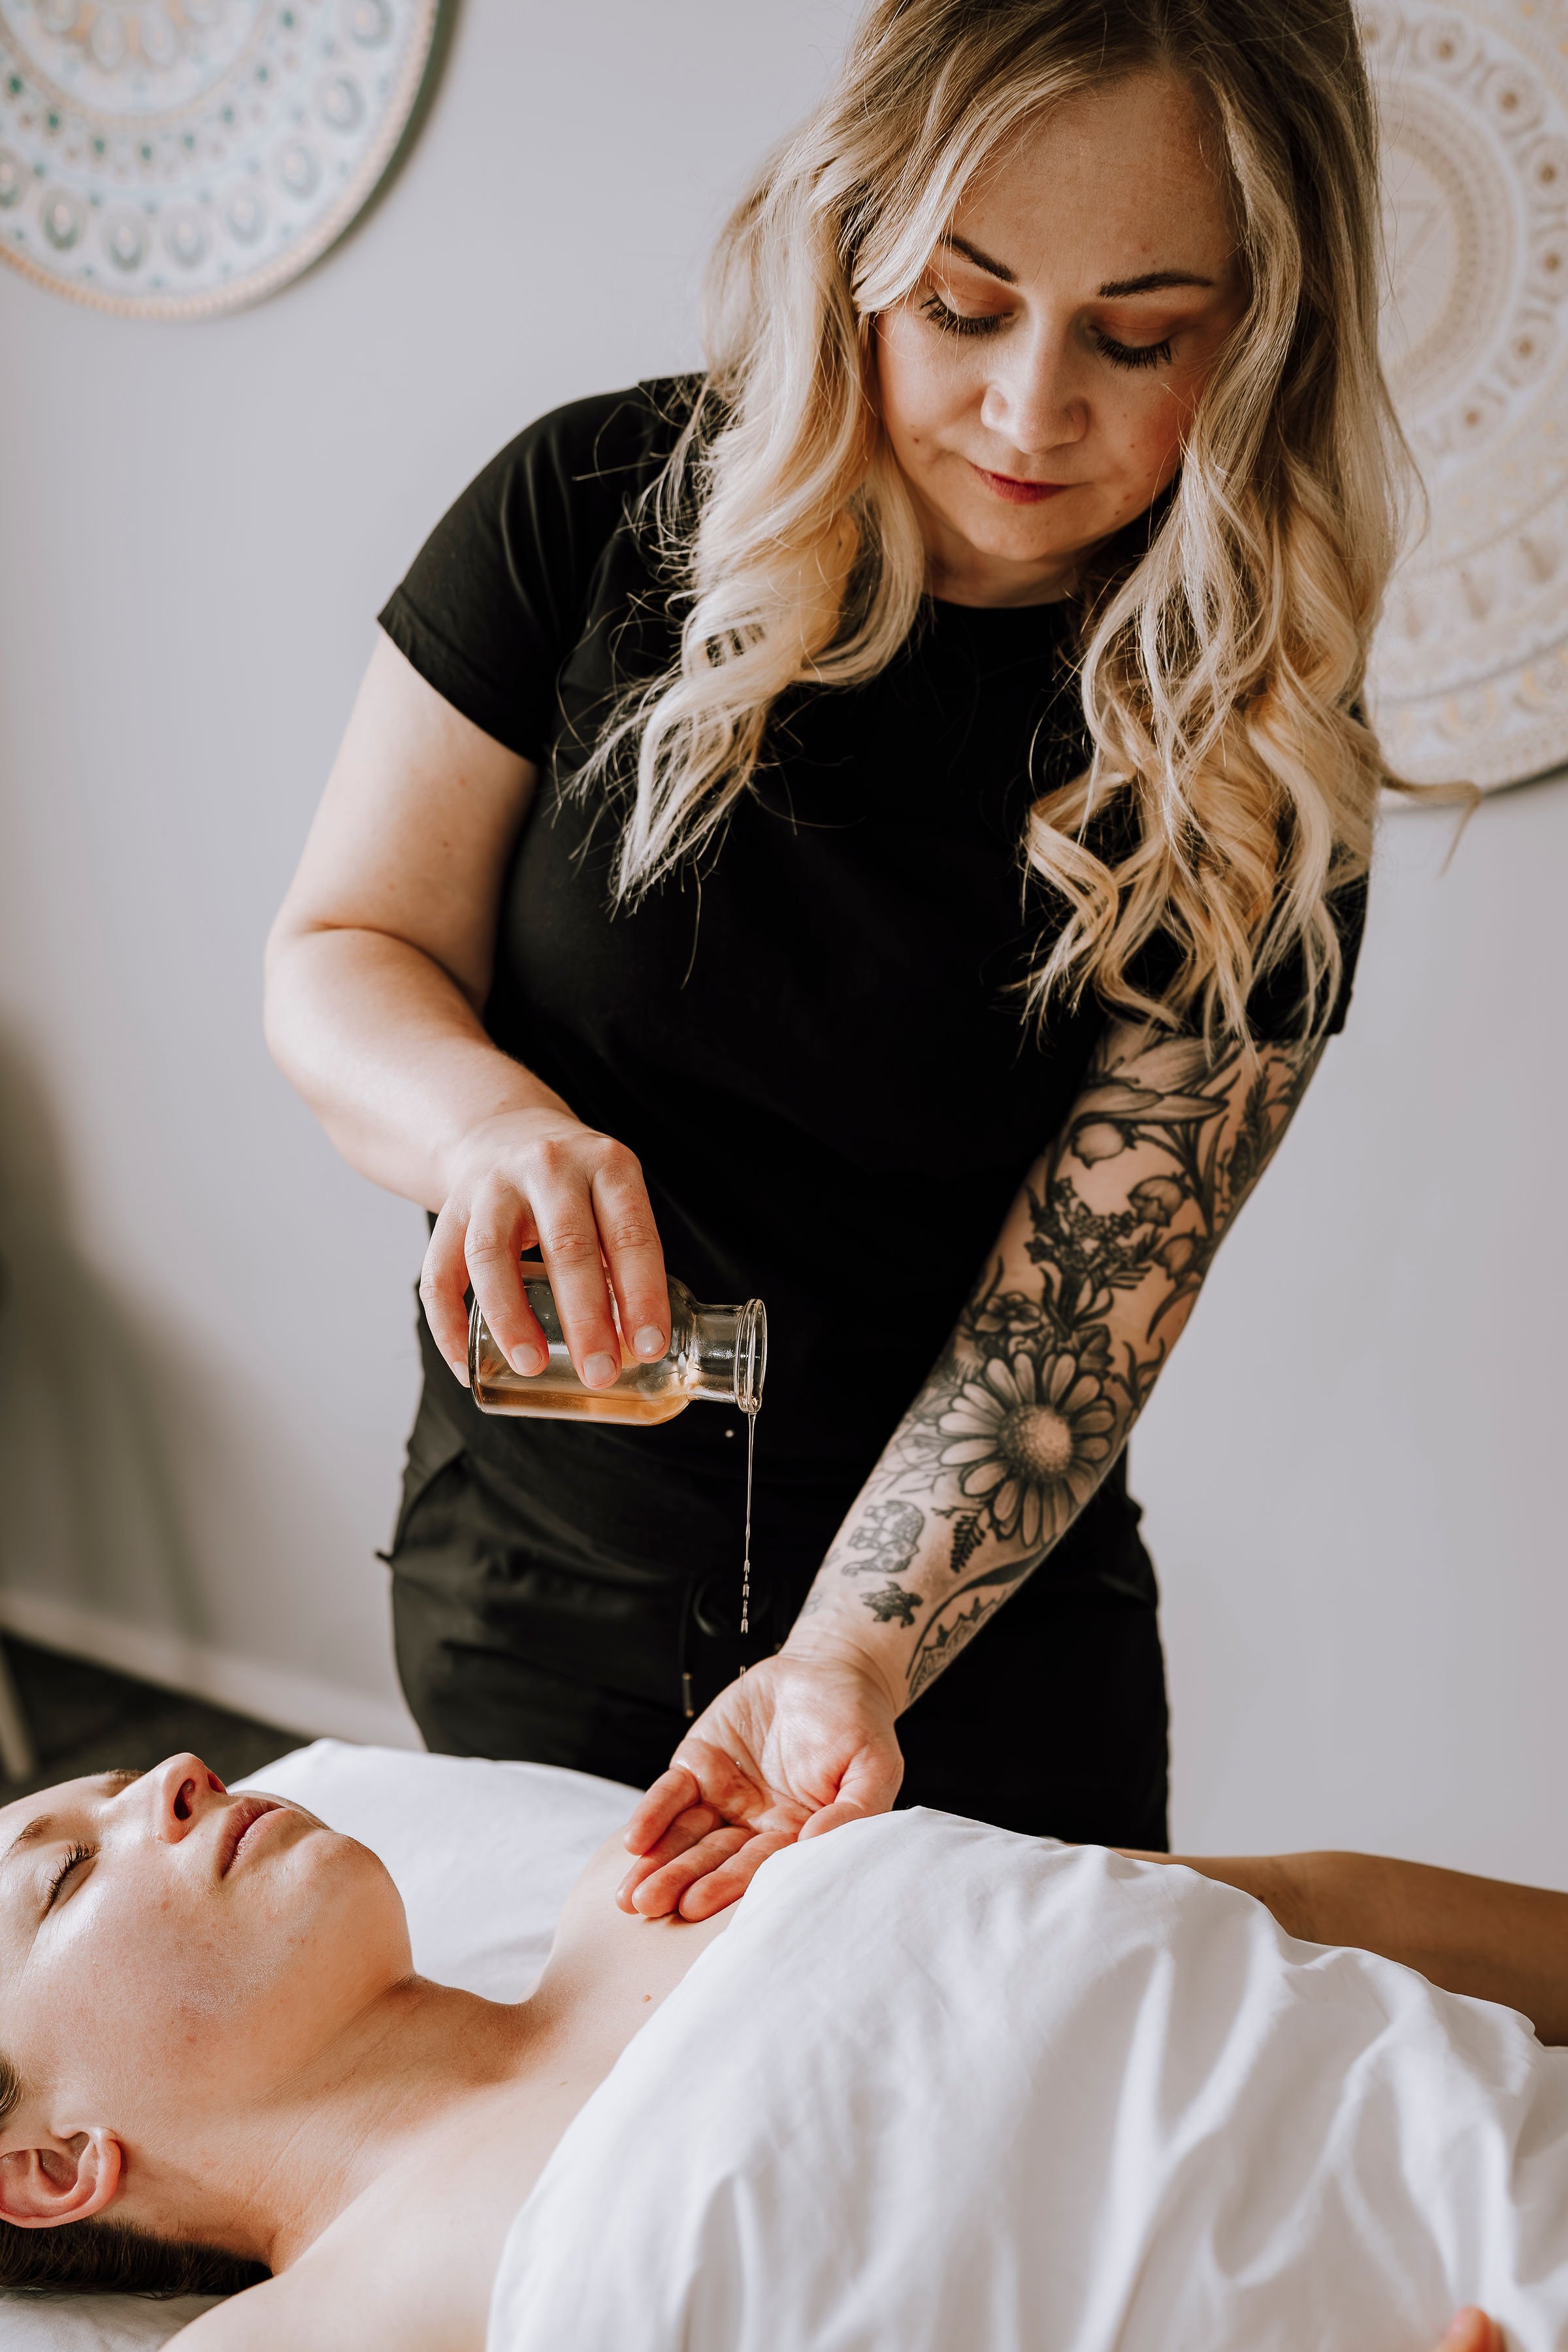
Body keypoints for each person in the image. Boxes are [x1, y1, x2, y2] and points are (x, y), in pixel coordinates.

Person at [265, 0, 1413, 1899]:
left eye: (1142, 335)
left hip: (959, 1666)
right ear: (852, 245)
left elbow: (1067, 1328)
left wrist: (843, 1664)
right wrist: (480, 1128)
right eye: (965, 307)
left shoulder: (1257, 751)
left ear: (1271, 333)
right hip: (528, 1597)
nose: (1033, 405)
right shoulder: (585, 511)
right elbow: (344, 946)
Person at [0, 1754, 1538, 2347]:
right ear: (50, 2163)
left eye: (127, 1778)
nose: (181, 1779)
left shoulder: (659, 1873)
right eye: (65, 1875)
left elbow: (1304, 1909)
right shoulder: (315, 2335)